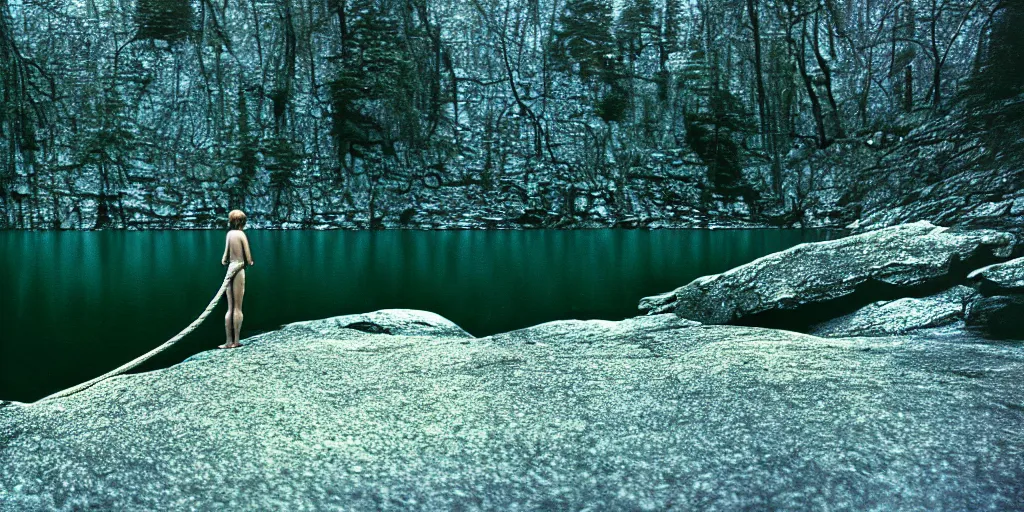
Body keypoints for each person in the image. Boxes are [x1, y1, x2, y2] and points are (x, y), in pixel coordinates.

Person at [219, 210, 254, 349]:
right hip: (238, 270)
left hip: (230, 270)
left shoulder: (229, 234)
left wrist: (229, 260)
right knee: (238, 308)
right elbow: (248, 257)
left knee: (230, 308)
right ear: (242, 222)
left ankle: (228, 341)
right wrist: (250, 262)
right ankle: (236, 341)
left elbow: (224, 258)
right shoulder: (241, 234)